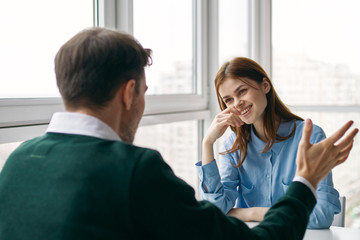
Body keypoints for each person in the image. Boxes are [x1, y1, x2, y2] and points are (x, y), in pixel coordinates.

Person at [0, 27, 357, 240]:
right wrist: (305, 181)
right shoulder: (136, 170)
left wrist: (246, 212)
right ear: (129, 93)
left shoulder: (16, 163)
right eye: (143, 92)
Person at [197, 57, 341, 228]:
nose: (237, 104)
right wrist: (207, 143)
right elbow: (216, 210)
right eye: (228, 100)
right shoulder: (233, 147)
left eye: (242, 91)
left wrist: (251, 213)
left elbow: (321, 216)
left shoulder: (310, 136)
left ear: (265, 85)